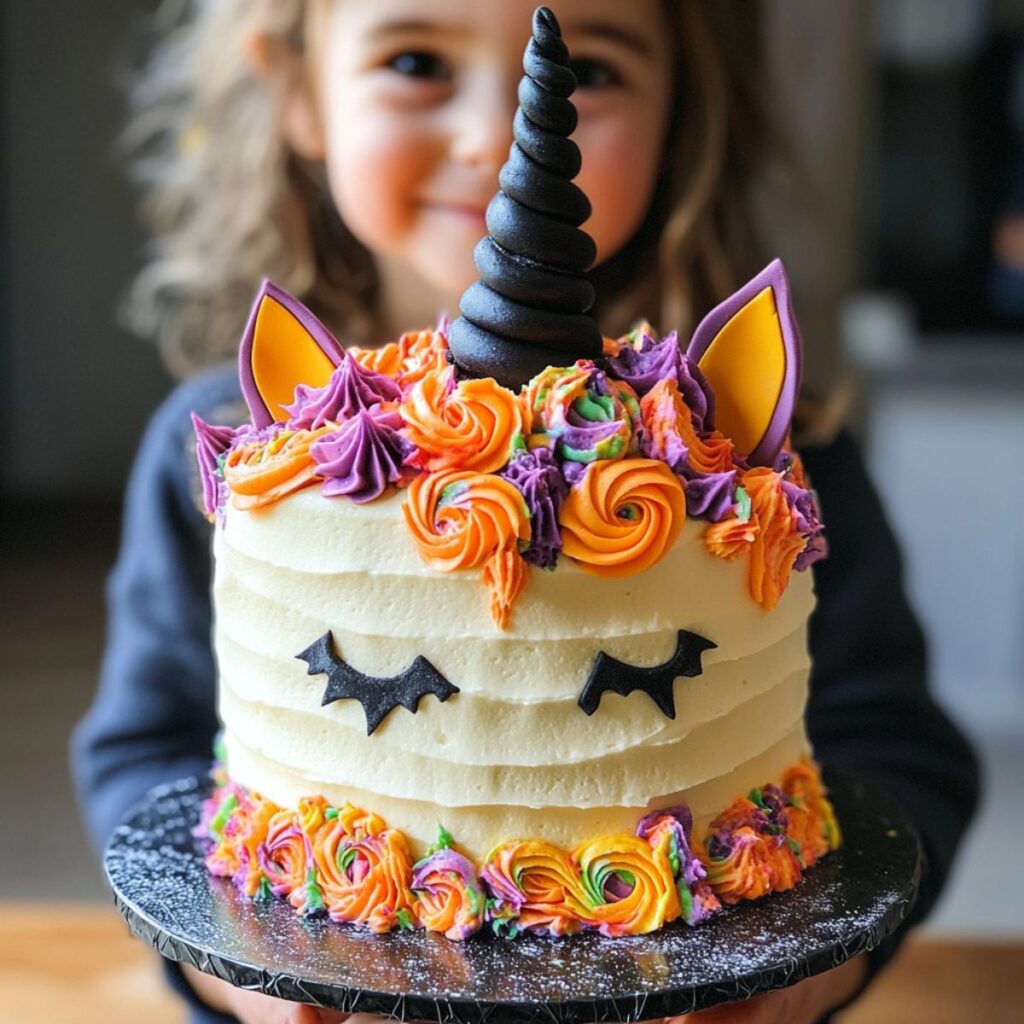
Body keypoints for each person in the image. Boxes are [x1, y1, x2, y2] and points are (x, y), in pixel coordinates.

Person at [72, 1, 980, 1022]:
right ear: (297, 92)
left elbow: (899, 752)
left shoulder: (757, 463)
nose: (494, 137)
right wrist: (240, 975)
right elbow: (144, 758)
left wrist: (811, 970)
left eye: (588, 68)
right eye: (415, 59)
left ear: (683, 103)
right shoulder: (250, 457)